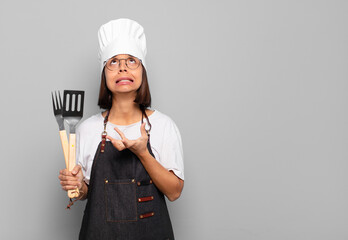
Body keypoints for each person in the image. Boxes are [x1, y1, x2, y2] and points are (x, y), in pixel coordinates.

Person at [58, 18, 184, 240]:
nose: (123, 67)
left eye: (131, 60)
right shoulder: (87, 129)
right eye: (113, 62)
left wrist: (142, 153)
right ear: (104, 74)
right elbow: (86, 193)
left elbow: (174, 192)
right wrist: (77, 187)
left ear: (142, 71)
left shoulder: (163, 126)